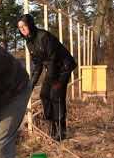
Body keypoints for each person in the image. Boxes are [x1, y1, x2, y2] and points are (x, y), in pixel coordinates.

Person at [17, 13, 76, 141]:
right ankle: (52, 125)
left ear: (30, 25)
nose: (22, 30)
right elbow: (38, 65)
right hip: (52, 68)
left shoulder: (44, 36)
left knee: (56, 95)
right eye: (20, 28)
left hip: (63, 67)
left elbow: (53, 60)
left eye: (24, 26)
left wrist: (53, 81)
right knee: (44, 95)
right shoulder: (29, 43)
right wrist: (30, 87)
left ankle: (61, 131)